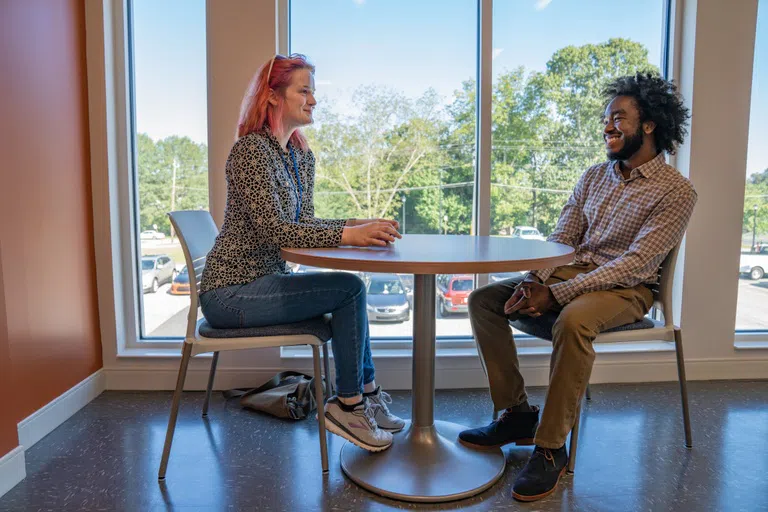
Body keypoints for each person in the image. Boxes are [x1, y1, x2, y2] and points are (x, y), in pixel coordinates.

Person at [459, 72, 697, 502]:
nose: (607, 126)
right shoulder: (593, 176)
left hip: (627, 289)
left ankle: (551, 449)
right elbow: (563, 240)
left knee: (571, 321)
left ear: (648, 125)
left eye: (618, 118)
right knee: (485, 300)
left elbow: (637, 263)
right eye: (606, 118)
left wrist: (556, 295)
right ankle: (516, 415)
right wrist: (535, 281)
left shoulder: (677, 191)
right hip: (573, 273)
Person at [199, 54, 405, 452]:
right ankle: (350, 405)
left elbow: (305, 222)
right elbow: (276, 231)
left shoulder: (298, 155)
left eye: (314, 91)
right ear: (273, 96)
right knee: (349, 289)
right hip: (230, 292)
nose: (313, 100)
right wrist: (350, 234)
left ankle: (365, 396)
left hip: (266, 281)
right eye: (304, 90)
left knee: (350, 289)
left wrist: (359, 224)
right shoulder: (251, 152)